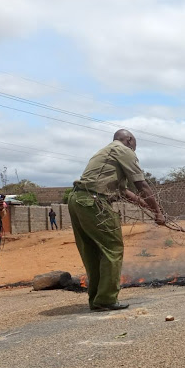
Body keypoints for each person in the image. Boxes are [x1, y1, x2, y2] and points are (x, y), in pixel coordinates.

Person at [68, 129, 165, 311]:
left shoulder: (105, 152)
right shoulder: (124, 150)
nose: (134, 150)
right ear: (129, 140)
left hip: (77, 200)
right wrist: (158, 212)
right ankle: (105, 299)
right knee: (113, 248)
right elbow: (141, 184)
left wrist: (146, 206)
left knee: (92, 251)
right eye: (135, 145)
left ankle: (97, 300)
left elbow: (124, 192)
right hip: (95, 201)